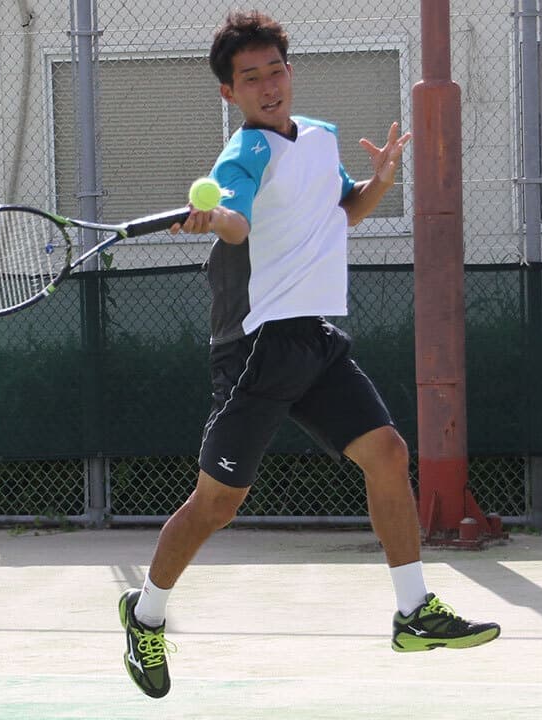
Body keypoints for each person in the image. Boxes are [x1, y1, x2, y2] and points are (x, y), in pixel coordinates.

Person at [118, 10, 500, 699]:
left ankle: (413, 611)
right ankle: (145, 615)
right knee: (216, 505)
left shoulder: (320, 137)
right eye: (250, 78)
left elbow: (342, 210)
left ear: (290, 72)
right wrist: (215, 217)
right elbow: (236, 220)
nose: (268, 86)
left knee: (388, 453)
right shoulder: (243, 154)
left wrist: (381, 179)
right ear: (229, 93)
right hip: (256, 348)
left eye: (276, 71)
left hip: (314, 337)